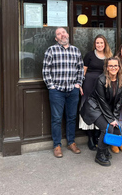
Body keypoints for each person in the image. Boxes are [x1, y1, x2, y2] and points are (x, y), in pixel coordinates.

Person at [42, 27, 84, 158]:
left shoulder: (76, 51)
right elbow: (45, 70)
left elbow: (80, 69)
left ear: (67, 35)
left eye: (63, 32)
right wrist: (51, 86)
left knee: (71, 117)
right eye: (59, 34)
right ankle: (57, 145)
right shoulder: (51, 50)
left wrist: (78, 84)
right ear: (56, 38)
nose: (62, 35)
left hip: (72, 90)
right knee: (56, 119)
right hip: (57, 91)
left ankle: (71, 142)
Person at [80, 57, 122, 166]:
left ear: (119, 67)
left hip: (106, 109)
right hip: (94, 107)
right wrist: (111, 119)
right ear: (106, 67)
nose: (113, 68)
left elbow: (119, 101)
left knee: (110, 126)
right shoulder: (101, 79)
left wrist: (114, 118)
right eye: (111, 65)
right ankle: (99, 155)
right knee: (107, 128)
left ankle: (104, 150)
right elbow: (102, 101)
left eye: (115, 65)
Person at [80, 35, 112, 151]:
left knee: (100, 110)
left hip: (102, 86)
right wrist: (80, 85)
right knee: (90, 109)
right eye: (97, 43)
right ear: (95, 44)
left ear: (105, 44)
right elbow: (83, 71)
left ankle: (98, 136)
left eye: (101, 43)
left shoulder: (109, 56)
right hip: (89, 85)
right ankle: (90, 139)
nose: (99, 45)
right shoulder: (89, 55)